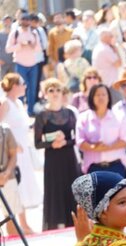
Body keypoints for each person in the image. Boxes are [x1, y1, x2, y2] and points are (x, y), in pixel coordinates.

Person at [34, 78, 79, 231]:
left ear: (62, 93)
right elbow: (37, 143)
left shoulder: (70, 113)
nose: (55, 93)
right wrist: (52, 144)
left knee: (71, 189)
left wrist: (64, 142)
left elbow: (76, 139)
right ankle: (55, 227)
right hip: (53, 159)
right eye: (51, 90)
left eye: (57, 90)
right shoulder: (42, 115)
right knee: (54, 191)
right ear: (45, 94)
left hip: (68, 157)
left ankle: (73, 225)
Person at [0, 73, 38, 233]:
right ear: (14, 85)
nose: (25, 86)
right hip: (12, 151)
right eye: (22, 83)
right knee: (15, 187)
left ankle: (24, 223)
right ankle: (20, 225)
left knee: (23, 186)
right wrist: (13, 145)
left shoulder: (19, 103)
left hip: (23, 151)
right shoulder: (5, 103)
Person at [76, 83, 126, 176]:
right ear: (92, 98)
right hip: (93, 167)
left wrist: (108, 147)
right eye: (97, 95)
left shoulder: (119, 116)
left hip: (116, 166)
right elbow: (79, 142)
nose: (101, 97)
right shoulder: (83, 117)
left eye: (104, 94)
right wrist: (93, 147)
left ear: (109, 97)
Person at [6, 14, 41, 116]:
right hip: (20, 64)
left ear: (30, 21)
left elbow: (39, 49)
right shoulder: (15, 33)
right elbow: (8, 49)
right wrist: (20, 45)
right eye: (23, 19)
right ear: (19, 21)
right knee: (19, 89)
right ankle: (19, 111)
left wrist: (32, 45)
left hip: (33, 64)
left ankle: (31, 111)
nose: (25, 21)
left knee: (32, 88)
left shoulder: (34, 33)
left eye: (27, 19)